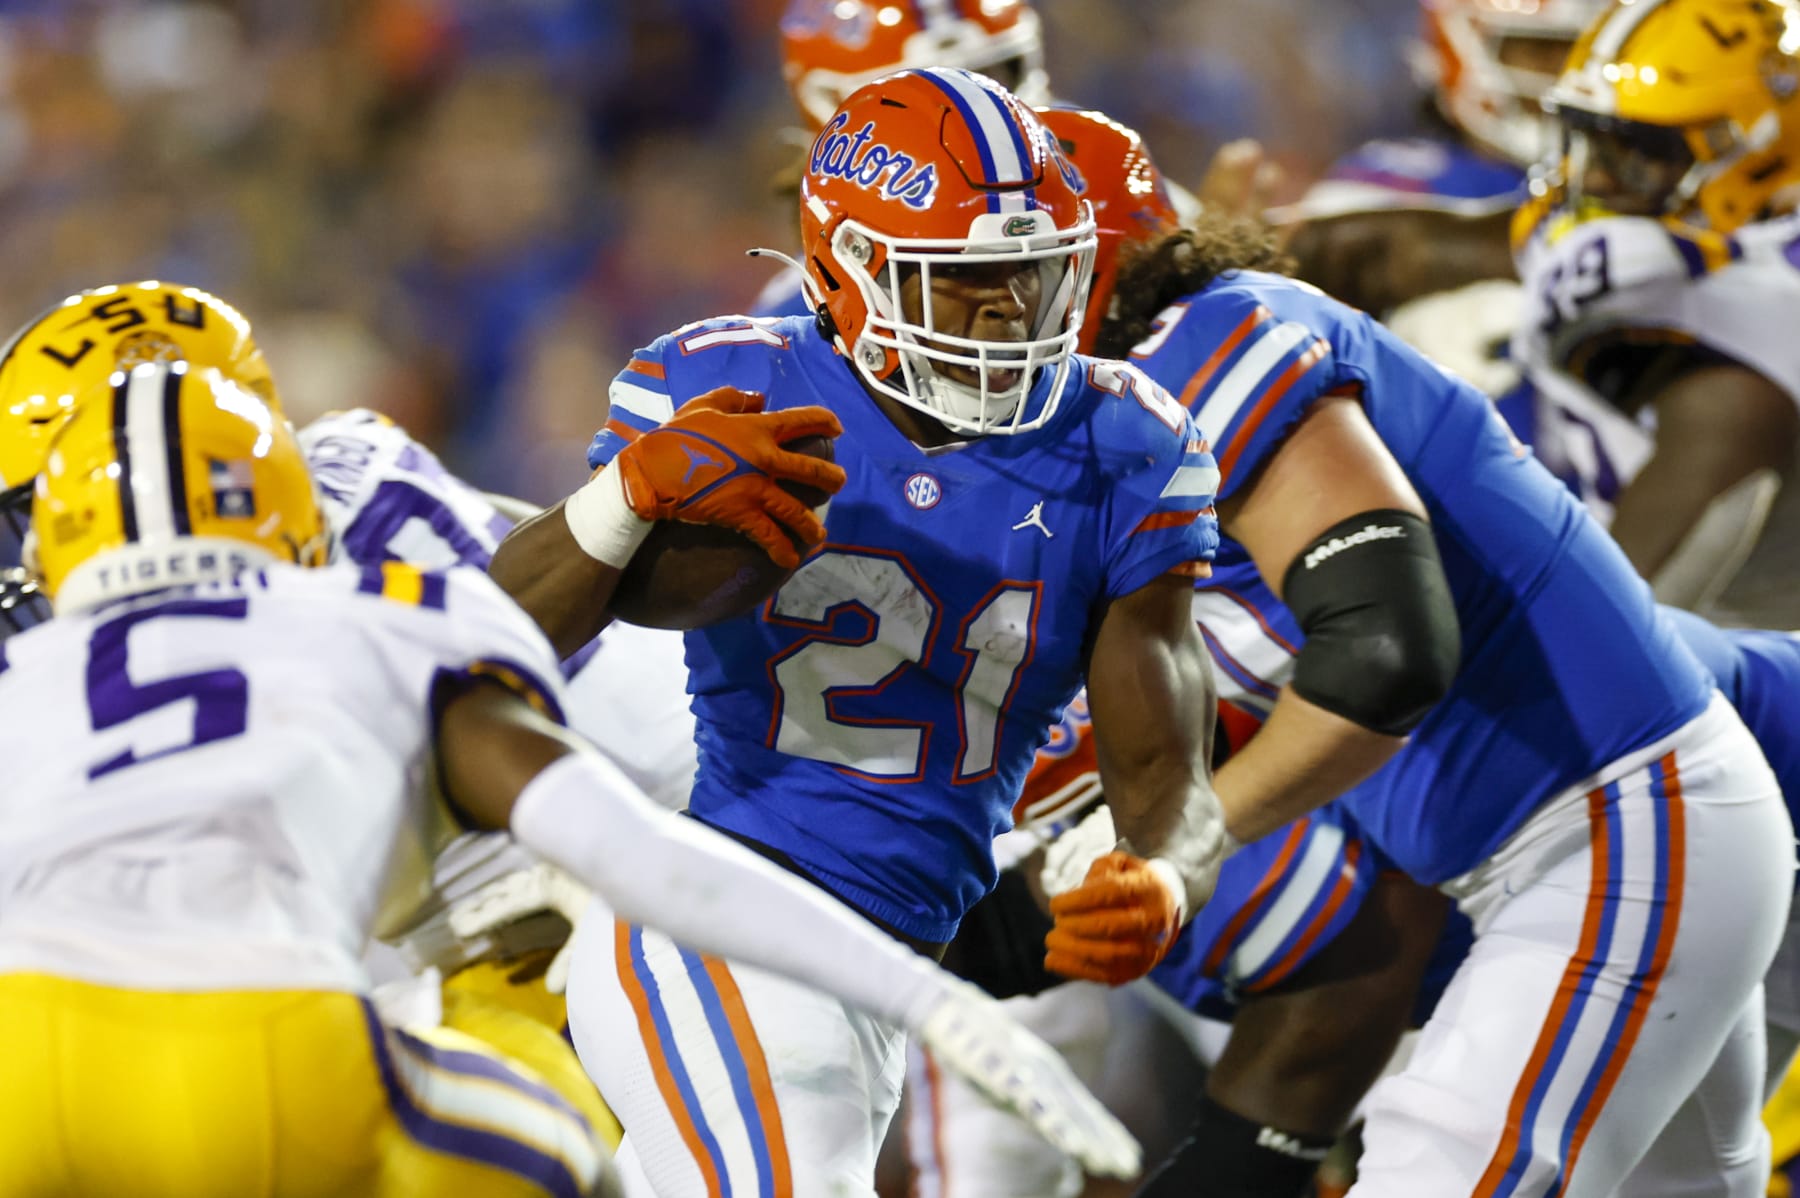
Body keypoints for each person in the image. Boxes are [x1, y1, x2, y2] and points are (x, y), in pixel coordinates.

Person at [0, 351, 1141, 1196]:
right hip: (276, 1040)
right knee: (571, 1158)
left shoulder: (25, 674)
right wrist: (929, 998)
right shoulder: (380, 622)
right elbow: (649, 862)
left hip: (27, 1055)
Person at [488, 67, 1227, 1195]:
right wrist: (625, 496)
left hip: (890, 969)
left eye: (1032, 272)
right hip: (721, 913)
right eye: (964, 277)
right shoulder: (738, 387)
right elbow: (485, 635)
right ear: (850, 270)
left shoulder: (1126, 448)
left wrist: (1163, 876)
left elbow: (1170, 771)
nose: (1008, 308)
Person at [1077, 86, 1794, 1194]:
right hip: (1596, 832)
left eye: (987, 283)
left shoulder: (1210, 351)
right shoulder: (1107, 451)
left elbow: (1385, 657)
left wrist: (1177, 849)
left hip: (1622, 816)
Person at [1512, 0, 1800, 627]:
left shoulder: (1746, 353)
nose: (1597, 180)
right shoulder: (1665, 245)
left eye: (1637, 151)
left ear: (1750, 155)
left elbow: (1600, 634)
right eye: (1591, 141)